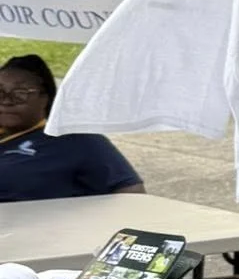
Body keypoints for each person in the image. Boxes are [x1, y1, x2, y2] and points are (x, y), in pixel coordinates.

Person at [0, 55, 143, 201]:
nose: (6, 101)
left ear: (46, 98)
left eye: (20, 94)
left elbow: (133, 197)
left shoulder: (78, 140)